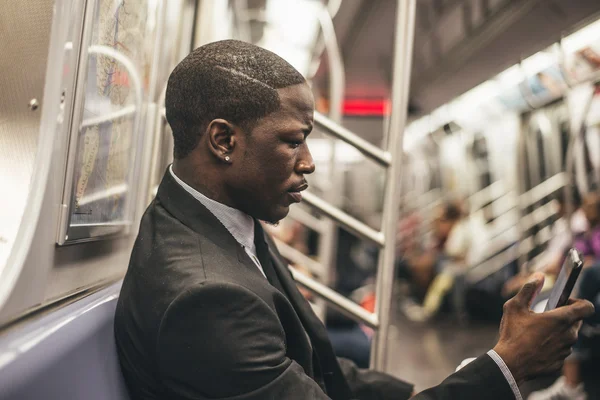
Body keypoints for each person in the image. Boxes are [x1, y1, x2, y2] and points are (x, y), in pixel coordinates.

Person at [114, 40, 594, 400]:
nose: (309, 162)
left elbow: (323, 368)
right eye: (291, 141)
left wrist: (428, 389)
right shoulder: (206, 297)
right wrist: (508, 366)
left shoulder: (218, 221)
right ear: (223, 141)